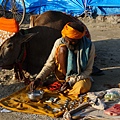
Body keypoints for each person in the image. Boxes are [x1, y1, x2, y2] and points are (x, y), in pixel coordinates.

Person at [30, 22, 95, 97]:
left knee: (82, 87)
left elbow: (88, 71)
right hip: (62, 76)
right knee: (62, 49)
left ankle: (64, 88)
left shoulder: (89, 46)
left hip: (78, 77)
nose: (68, 43)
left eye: (72, 41)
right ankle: (63, 82)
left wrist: (71, 82)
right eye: (67, 40)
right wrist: (39, 78)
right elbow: (50, 64)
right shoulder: (59, 42)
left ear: (79, 39)